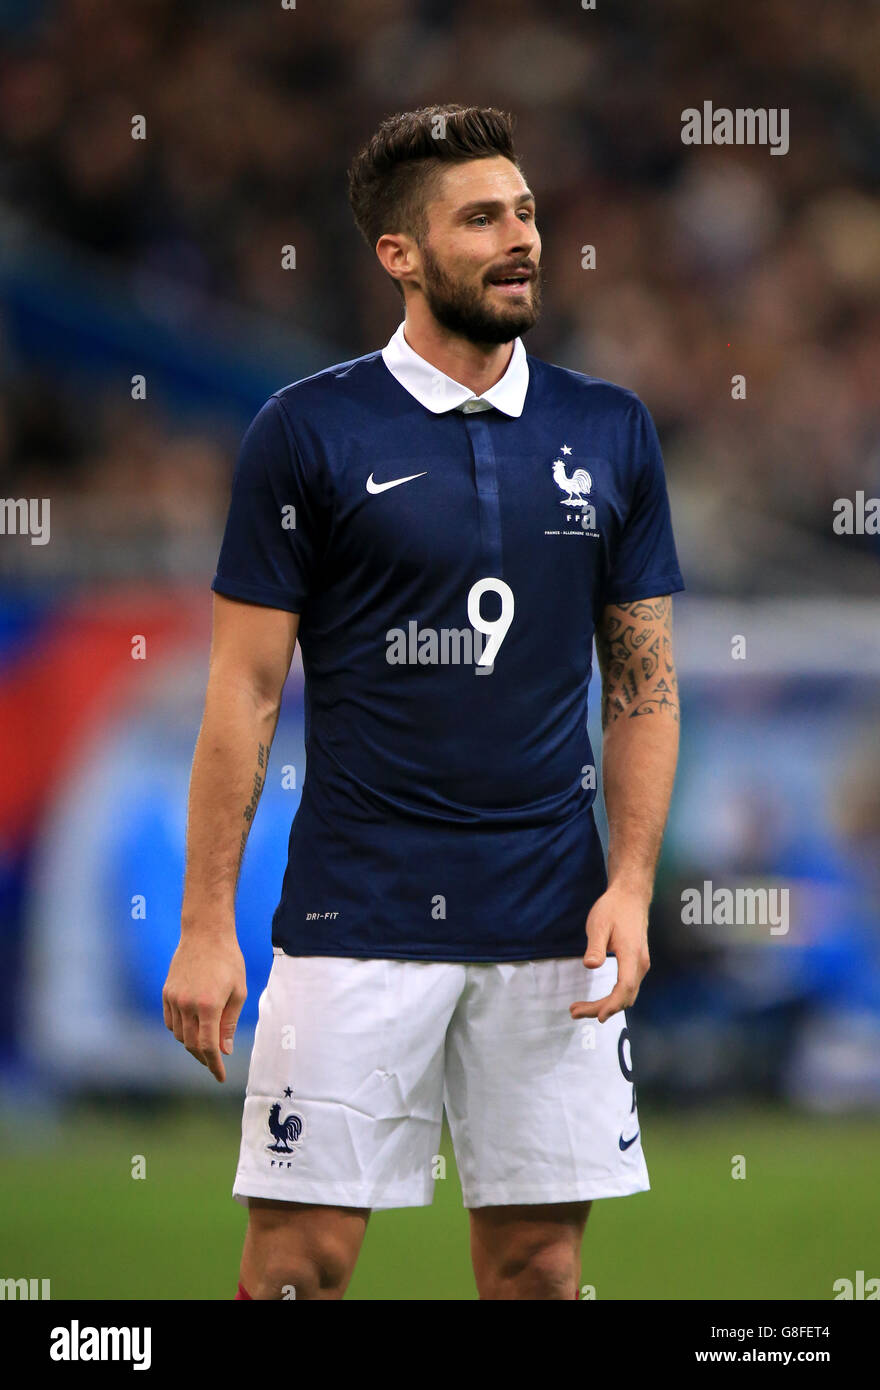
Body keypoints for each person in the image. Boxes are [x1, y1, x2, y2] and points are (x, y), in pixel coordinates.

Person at [162, 104, 684, 1301]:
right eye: (483, 218)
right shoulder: (306, 429)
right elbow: (244, 692)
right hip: (356, 912)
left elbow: (644, 686)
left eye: (528, 211)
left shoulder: (609, 428)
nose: (523, 239)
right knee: (298, 1266)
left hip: (551, 919)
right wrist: (204, 922)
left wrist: (632, 882)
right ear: (399, 254)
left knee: (541, 1270)